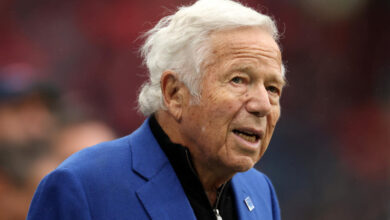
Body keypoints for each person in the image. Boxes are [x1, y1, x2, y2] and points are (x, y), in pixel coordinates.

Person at [27, 0, 286, 219]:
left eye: (273, 88)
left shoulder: (261, 190)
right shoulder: (82, 187)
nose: (263, 105)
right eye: (238, 80)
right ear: (174, 93)